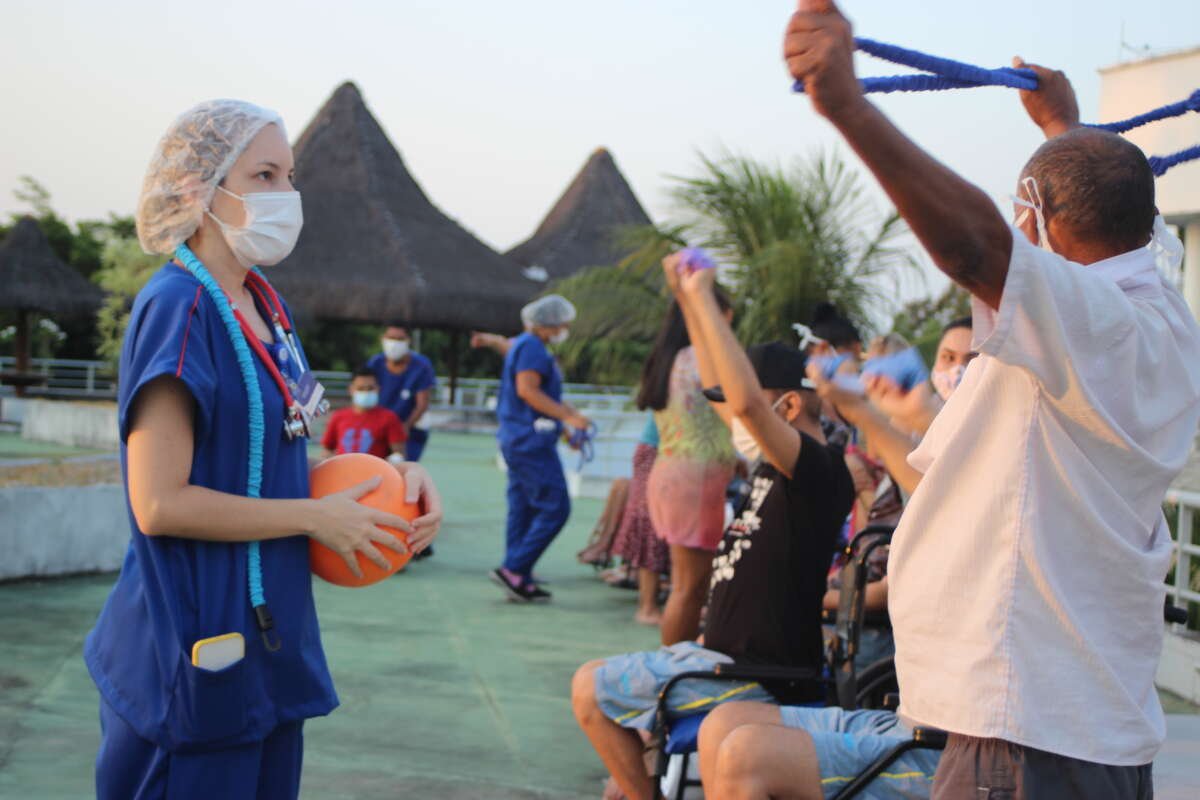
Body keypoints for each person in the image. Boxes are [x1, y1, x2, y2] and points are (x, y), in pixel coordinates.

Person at [758, 3, 1200, 796]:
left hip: (1024, 738)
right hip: (1082, 731)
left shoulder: (1093, 325)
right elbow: (1094, 220)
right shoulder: (1158, 309)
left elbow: (977, 247)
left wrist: (848, 105)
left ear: (1037, 219)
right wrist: (1062, 128)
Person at [84, 99, 443, 800]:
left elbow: (264, 461)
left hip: (269, 644)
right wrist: (313, 518)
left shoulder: (265, 307)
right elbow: (158, 502)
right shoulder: (179, 307)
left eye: (289, 175)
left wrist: (390, 477)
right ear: (198, 190)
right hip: (194, 643)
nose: (288, 195)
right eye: (265, 175)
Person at [570, 251, 854, 800]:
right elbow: (723, 389)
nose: (737, 421)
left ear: (790, 406)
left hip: (755, 676)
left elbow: (744, 402)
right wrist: (689, 304)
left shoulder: (816, 472)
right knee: (615, 770)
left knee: (589, 690)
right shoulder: (778, 465)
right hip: (719, 659)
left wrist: (703, 296)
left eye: (755, 415)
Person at [636, 295, 737, 645]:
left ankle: (673, 664)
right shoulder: (703, 361)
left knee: (687, 585)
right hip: (696, 482)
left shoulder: (669, 359)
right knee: (689, 588)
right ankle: (673, 669)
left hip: (670, 472)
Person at [490, 294, 592, 602]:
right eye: (564, 323)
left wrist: (567, 422)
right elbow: (529, 391)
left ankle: (518, 572)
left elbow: (539, 395)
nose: (566, 329)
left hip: (519, 437)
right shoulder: (533, 348)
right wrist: (570, 417)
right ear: (550, 322)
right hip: (529, 441)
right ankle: (515, 567)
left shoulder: (524, 345)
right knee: (555, 506)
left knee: (523, 506)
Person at [610, 414, 670, 626]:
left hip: (669, 450)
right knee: (651, 525)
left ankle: (651, 601)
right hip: (663, 451)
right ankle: (647, 606)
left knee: (655, 525)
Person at [365, 324, 437, 462]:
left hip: (408, 428)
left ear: (408, 340)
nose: (394, 344)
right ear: (383, 338)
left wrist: (405, 426)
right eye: (391, 338)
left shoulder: (421, 366)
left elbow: (422, 403)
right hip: (380, 428)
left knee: (401, 467)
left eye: (399, 339)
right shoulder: (375, 362)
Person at [320, 367, 407, 461]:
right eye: (360, 388)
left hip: (375, 473)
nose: (366, 392)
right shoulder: (338, 416)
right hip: (344, 471)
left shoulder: (389, 417)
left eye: (370, 388)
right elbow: (326, 450)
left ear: (378, 389)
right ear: (351, 389)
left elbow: (399, 454)